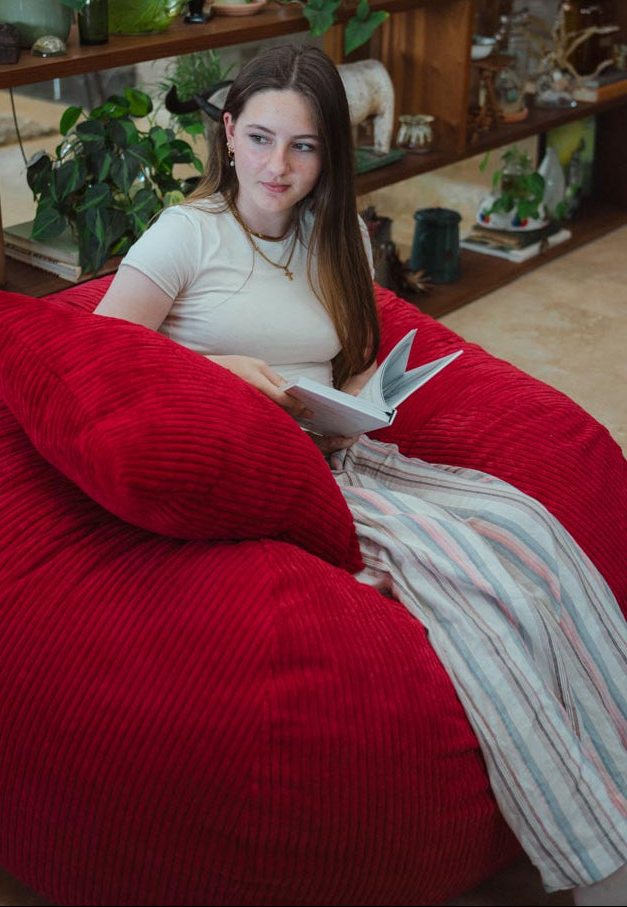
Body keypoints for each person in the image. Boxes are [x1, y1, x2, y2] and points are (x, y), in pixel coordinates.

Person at [94, 42, 627, 905]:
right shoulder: (187, 233)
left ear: (328, 156)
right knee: (488, 596)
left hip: (338, 455)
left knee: (532, 537)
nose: (278, 165)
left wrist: (357, 400)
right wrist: (226, 371)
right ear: (228, 134)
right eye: (261, 138)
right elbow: (105, 353)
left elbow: (339, 366)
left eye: (302, 147)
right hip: (254, 476)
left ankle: (614, 788)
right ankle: (595, 857)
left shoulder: (331, 240)